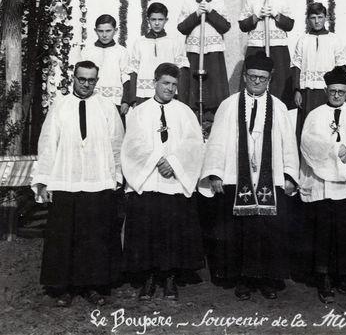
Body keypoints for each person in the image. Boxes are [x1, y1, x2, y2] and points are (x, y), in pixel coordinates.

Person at [199, 52, 299, 300]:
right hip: (236, 177)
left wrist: (289, 175)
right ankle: (242, 279)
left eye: (262, 78)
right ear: (244, 77)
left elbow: (288, 143)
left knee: (268, 232)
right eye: (252, 76)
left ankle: (267, 280)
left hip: (270, 179)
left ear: (270, 79)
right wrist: (215, 173)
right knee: (239, 232)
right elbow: (217, 142)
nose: (256, 82)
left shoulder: (278, 107)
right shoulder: (229, 105)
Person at [31, 61, 124, 307]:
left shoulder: (106, 107)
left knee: (94, 236)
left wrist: (116, 177)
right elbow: (48, 144)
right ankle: (63, 288)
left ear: (97, 80)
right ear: (73, 78)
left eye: (91, 80)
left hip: (98, 181)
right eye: (81, 79)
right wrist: (44, 180)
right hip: (66, 180)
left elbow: (117, 144)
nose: (86, 84)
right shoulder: (60, 106)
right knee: (64, 236)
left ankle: (92, 286)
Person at [121, 63, 205, 301]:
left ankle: (169, 279)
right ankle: (147, 279)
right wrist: (158, 160)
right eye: (165, 83)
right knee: (147, 230)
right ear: (155, 82)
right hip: (148, 180)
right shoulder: (139, 111)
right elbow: (134, 144)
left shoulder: (185, 112)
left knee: (172, 231)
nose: (170, 88)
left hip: (174, 182)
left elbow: (193, 144)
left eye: (174, 85)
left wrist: (174, 163)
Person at [300, 67, 346, 302]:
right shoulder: (315, 115)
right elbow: (308, 144)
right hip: (323, 183)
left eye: (341, 91)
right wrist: (336, 150)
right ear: (326, 90)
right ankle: (323, 277)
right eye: (332, 91)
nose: (336, 95)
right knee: (324, 231)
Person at [177, 0, 230, 128]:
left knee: (214, 84)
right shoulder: (189, 4)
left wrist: (210, 12)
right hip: (194, 50)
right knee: (193, 84)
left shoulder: (219, 3)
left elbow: (225, 26)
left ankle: (211, 118)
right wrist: (196, 14)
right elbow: (182, 28)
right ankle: (194, 116)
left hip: (213, 51)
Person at [291, 2, 346, 142]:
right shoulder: (303, 40)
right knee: (308, 127)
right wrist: (297, 90)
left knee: (327, 125)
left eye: (320, 17)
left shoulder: (334, 39)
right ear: (308, 19)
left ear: (326, 18)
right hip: (308, 91)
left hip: (327, 91)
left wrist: (336, 89)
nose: (317, 21)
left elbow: (341, 65)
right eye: (313, 17)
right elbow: (296, 65)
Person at [239, 0, 295, 107]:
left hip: (277, 48)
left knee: (279, 81)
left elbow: (289, 25)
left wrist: (277, 15)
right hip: (257, 46)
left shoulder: (281, 1)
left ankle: (278, 109)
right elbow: (243, 25)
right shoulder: (251, 1)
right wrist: (256, 16)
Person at [128, 2, 189, 108]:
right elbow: (133, 71)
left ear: (166, 20)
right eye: (153, 19)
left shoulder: (174, 41)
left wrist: (181, 98)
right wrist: (133, 99)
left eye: (160, 20)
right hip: (143, 94)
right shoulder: (139, 42)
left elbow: (181, 71)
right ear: (148, 20)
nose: (157, 23)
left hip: (168, 94)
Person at [78, 14, 130, 118]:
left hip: (115, 100)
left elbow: (126, 76)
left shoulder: (121, 51)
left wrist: (125, 101)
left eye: (108, 31)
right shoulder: (87, 51)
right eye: (100, 31)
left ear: (115, 31)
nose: (104, 35)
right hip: (92, 99)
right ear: (95, 30)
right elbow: (80, 76)